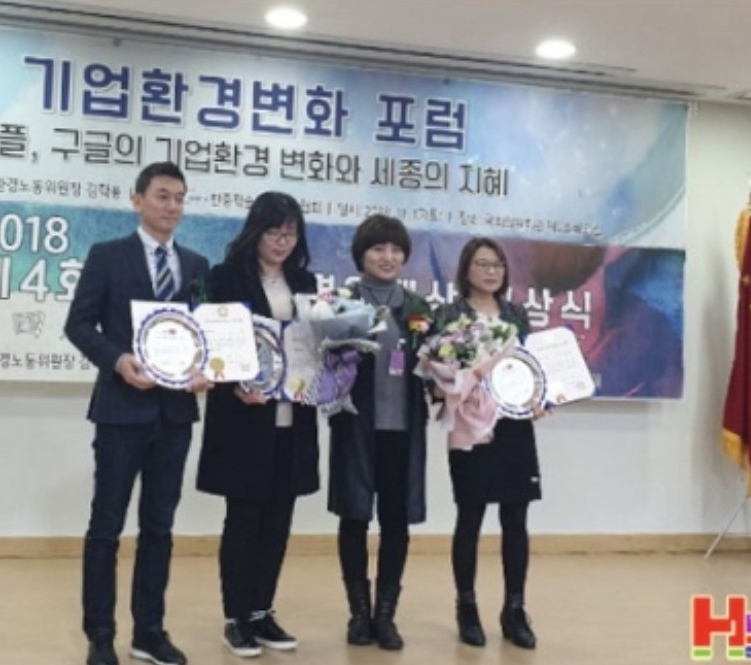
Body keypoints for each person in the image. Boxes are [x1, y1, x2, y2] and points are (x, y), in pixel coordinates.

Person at [65, 162, 212, 665]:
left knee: (160, 527)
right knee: (106, 526)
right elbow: (78, 324)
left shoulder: (197, 266)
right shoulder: (108, 256)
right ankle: (100, 634)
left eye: (179, 198)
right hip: (120, 411)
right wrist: (117, 360)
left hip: (174, 415)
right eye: (163, 196)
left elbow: (205, 331)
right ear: (138, 200)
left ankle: (149, 630)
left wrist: (207, 369)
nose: (172, 207)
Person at [196, 192, 320, 658]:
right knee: (245, 517)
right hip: (244, 417)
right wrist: (236, 383)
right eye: (274, 232)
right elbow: (214, 343)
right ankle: (236, 617)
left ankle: (261, 611)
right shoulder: (227, 277)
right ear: (255, 231)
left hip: (293, 417)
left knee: (280, 518)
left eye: (290, 233)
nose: (282, 242)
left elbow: (313, 345)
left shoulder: (304, 282)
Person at [433, 236, 542, 650]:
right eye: (482, 264)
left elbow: (531, 368)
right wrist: (449, 387)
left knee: (516, 518)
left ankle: (515, 609)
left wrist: (539, 398)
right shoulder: (450, 315)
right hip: (471, 430)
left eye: (497, 264)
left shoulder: (516, 315)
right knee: (470, 516)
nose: (491, 271)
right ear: (466, 269)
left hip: (514, 427)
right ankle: (467, 607)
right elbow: (437, 376)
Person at [327, 214, 430, 651]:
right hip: (356, 425)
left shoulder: (418, 307)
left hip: (402, 430)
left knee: (395, 521)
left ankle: (385, 615)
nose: (388, 257)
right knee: (354, 517)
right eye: (378, 249)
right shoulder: (342, 303)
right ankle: (358, 614)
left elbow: (435, 366)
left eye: (396, 250)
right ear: (361, 255)